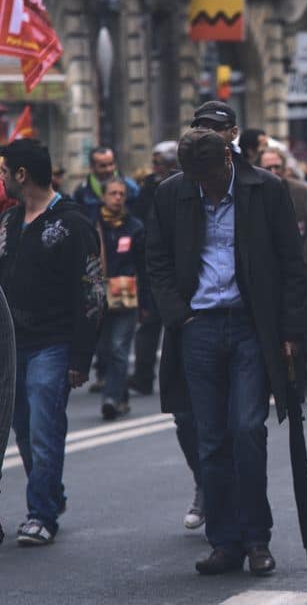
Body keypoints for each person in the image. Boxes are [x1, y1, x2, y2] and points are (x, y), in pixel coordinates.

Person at [146, 129, 307, 575]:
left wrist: (291, 329)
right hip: (197, 328)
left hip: (250, 328)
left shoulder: (265, 189)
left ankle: (257, 539)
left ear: (227, 161)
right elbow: (156, 260)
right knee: (210, 439)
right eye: (195, 178)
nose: (205, 187)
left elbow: (292, 262)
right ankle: (225, 542)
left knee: (247, 431)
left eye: (211, 177)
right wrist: (178, 315)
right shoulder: (173, 194)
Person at [0, 139, 104, 545]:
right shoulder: (8, 223)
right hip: (12, 347)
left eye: (5, 172)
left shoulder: (72, 223)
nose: (2, 178)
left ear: (22, 175)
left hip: (53, 344)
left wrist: (81, 356)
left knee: (45, 429)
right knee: (22, 431)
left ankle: (41, 514)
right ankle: (51, 493)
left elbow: (93, 293)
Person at [259, 145, 307, 401]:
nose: (274, 172)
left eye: (278, 167)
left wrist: (297, 261)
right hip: (271, 276)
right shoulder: (255, 195)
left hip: (305, 274)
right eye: (268, 168)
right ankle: (287, 378)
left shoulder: (304, 193)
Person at [127, 141, 179, 397]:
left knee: (176, 323)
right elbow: (138, 219)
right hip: (151, 262)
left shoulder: (183, 183)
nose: (155, 166)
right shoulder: (148, 186)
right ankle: (143, 375)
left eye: (160, 161)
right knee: (149, 321)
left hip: (176, 265)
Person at [95, 178, 147, 421]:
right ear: (104, 196)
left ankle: (111, 398)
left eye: (121, 194)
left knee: (119, 348)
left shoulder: (134, 227)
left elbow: (144, 267)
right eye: (113, 193)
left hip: (126, 297)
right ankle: (122, 396)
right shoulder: (94, 226)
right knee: (105, 349)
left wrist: (146, 303)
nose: (117, 198)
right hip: (100, 298)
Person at [73, 145, 139, 223]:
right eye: (103, 166)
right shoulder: (81, 192)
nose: (109, 169)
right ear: (92, 168)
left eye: (111, 164)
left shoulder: (131, 187)